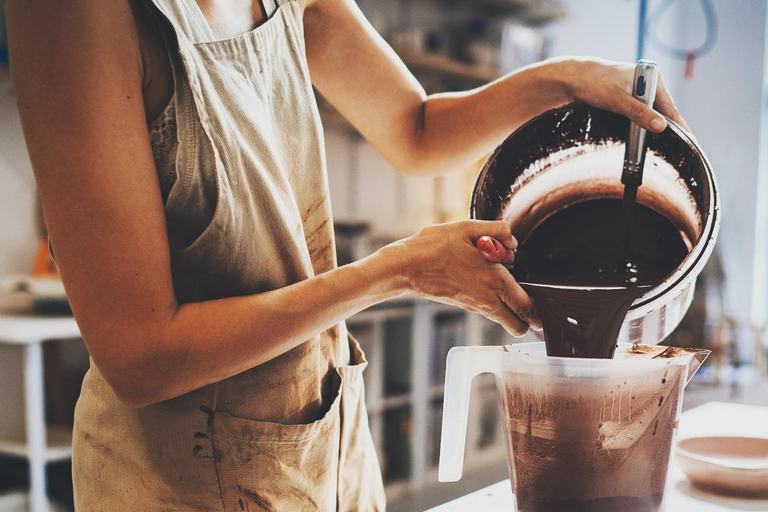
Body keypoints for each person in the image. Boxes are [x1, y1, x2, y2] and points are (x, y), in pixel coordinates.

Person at [6, 0, 689, 509]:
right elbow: (139, 358)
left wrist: (565, 80)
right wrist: (394, 270)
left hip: (320, 439)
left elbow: (415, 129)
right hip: (175, 477)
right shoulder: (73, 15)